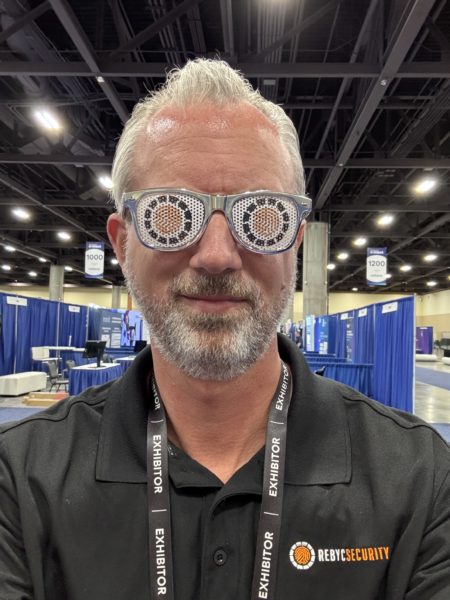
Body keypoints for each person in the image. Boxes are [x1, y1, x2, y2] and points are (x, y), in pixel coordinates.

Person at [0, 59, 449, 600]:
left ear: (295, 242)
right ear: (122, 244)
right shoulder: (19, 478)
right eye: (171, 214)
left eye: (262, 216)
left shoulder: (421, 479)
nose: (216, 256)